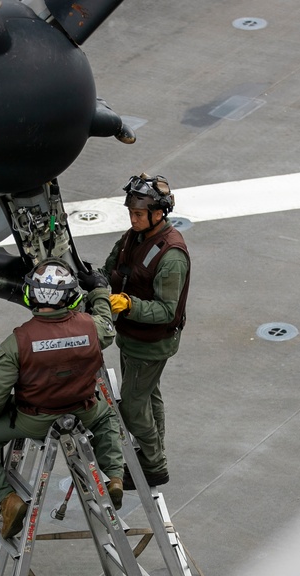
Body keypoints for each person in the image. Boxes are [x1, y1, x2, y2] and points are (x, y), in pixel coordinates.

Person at [0, 259, 126, 538]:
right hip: (83, 410)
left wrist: (0, 411)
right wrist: (98, 290)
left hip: (35, 420)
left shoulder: (19, 341)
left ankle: (6, 499)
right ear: (71, 296)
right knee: (107, 415)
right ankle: (115, 478)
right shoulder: (90, 328)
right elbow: (107, 325)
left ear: (31, 295)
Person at [101, 173, 190, 489]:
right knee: (148, 396)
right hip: (132, 337)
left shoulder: (171, 255)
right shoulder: (131, 238)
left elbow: (166, 310)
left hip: (151, 343)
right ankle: (153, 454)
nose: (133, 219)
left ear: (158, 213)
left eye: (138, 214)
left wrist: (127, 304)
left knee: (132, 406)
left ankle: (153, 465)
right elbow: (108, 272)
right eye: (131, 213)